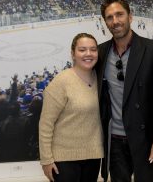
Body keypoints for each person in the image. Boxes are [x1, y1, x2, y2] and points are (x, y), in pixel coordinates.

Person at [96, 0, 153, 182]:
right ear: (105, 22)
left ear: (130, 16)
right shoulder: (101, 52)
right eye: (109, 17)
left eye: (119, 15)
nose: (115, 21)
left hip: (146, 140)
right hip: (114, 142)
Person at [39, 33, 104, 182]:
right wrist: (46, 160)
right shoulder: (61, 82)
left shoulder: (100, 78)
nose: (88, 54)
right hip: (64, 161)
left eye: (93, 49)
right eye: (82, 50)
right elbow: (45, 124)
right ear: (73, 54)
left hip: (93, 157)